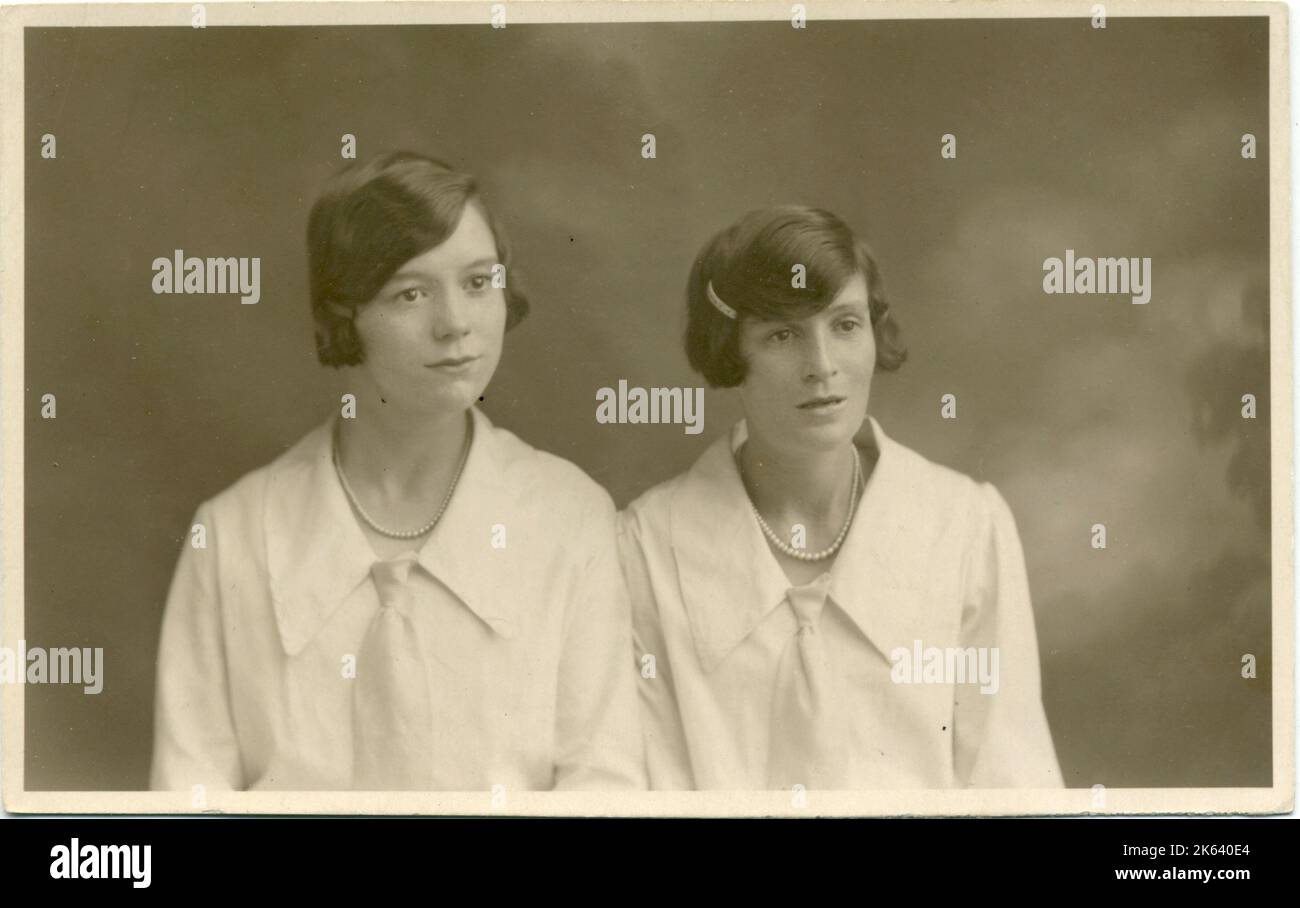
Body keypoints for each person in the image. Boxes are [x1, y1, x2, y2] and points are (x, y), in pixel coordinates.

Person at [151, 152, 645, 792]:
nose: (455, 325)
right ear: (343, 315)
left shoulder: (569, 517)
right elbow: (190, 799)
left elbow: (602, 786)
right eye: (411, 294)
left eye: (477, 283)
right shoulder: (232, 536)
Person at [619, 205, 1064, 790]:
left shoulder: (964, 525)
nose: (822, 367)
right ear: (731, 350)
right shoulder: (647, 547)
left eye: (845, 325)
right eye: (783, 335)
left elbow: (1013, 785)